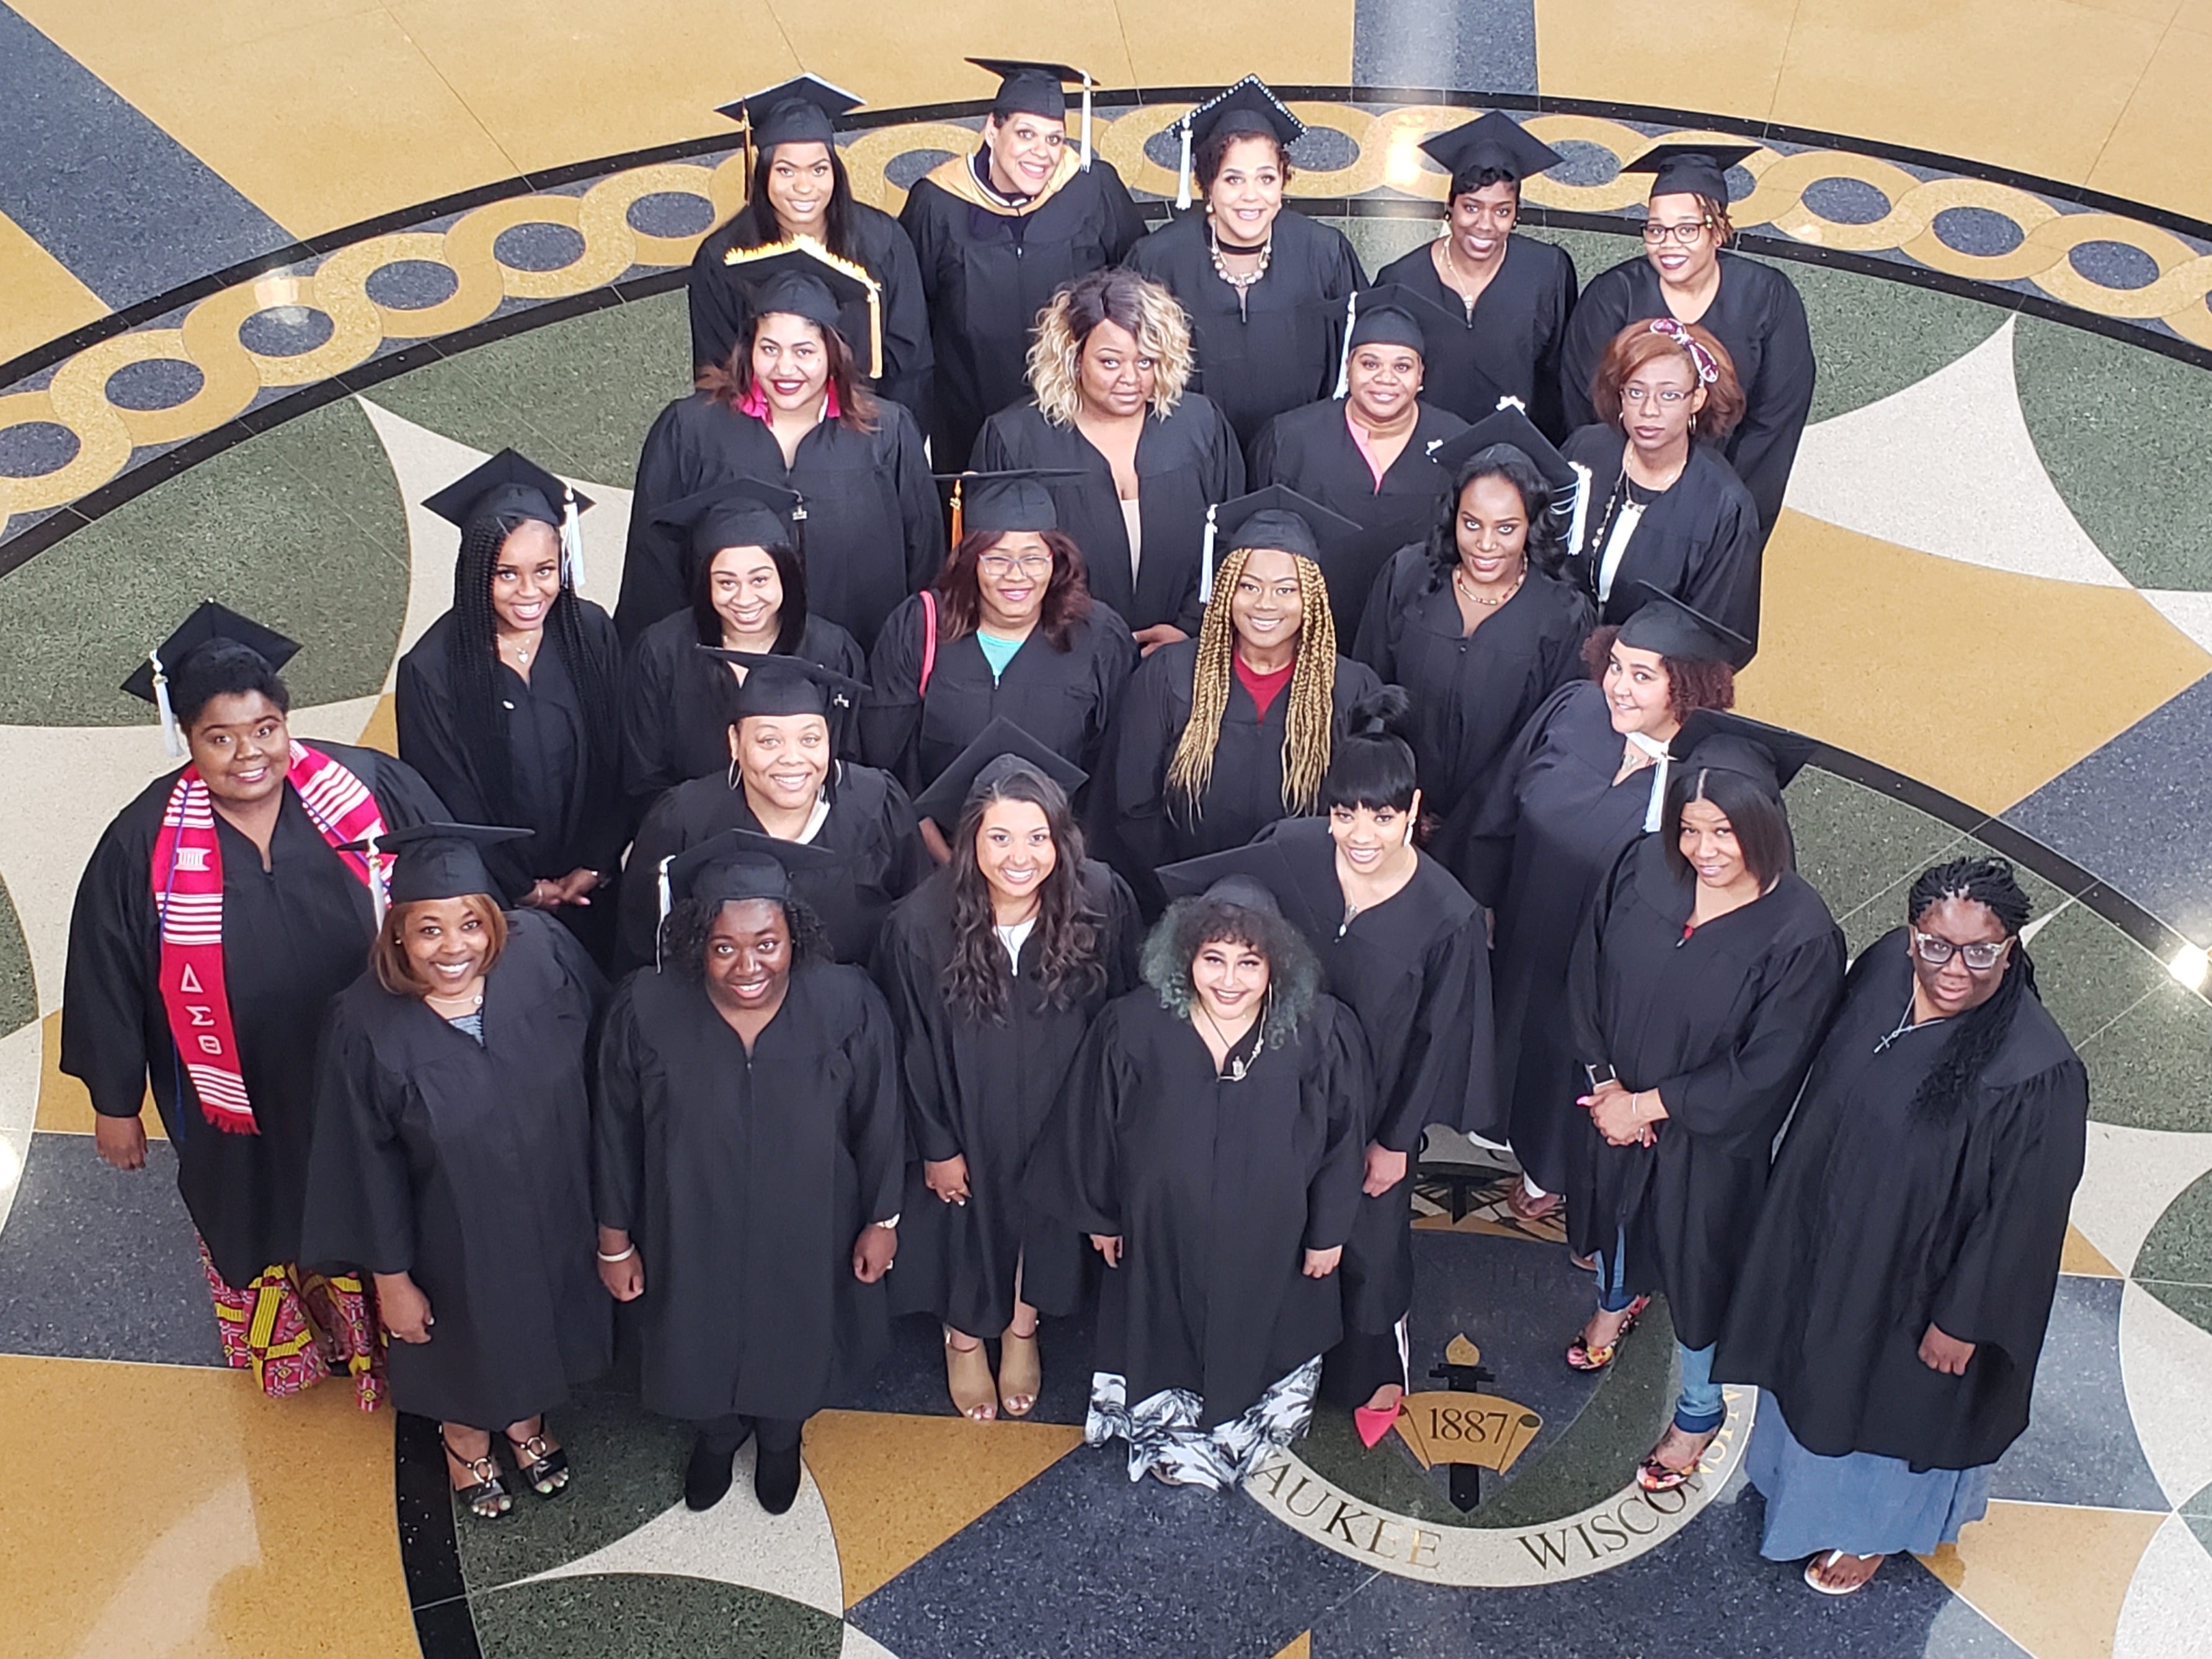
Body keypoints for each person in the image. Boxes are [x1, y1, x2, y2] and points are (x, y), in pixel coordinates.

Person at [63, 604, 445, 1405]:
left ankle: (393, 1339)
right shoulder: (145, 837)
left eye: (264, 727)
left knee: (374, 1184)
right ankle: (300, 1345)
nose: (249, 754)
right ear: (189, 740)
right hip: (231, 1084)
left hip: (363, 1063)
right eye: (221, 736)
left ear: (286, 721)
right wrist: (114, 1102)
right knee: (258, 1199)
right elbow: (106, 967)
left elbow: (447, 894)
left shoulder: (365, 789)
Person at [1718, 856, 2088, 1595]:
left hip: (1916, 1286)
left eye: (1982, 949)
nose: (1956, 967)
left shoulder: (2036, 1071)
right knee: (1810, 1371)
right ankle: (1792, 1485)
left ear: (2011, 947)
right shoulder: (1887, 968)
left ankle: (1872, 1529)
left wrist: (1963, 1317)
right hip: (1827, 1236)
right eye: (1937, 943)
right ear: (1910, 932)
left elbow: (2027, 1217)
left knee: (1882, 1407)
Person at [1161, 692, 1494, 1434]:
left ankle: (1374, 1363)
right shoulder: (1292, 847)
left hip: (1373, 1105)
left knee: (1371, 1236)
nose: (1360, 833)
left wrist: (1395, 1141)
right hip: (1279, 1084)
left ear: (1413, 809)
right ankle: (1282, 1351)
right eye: (1346, 813)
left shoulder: (1448, 914)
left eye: (1380, 815)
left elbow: (1441, 1036)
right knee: (1283, 1223)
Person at [1564, 716, 1844, 1495]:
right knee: (1613, 1221)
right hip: (1611, 1106)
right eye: (1690, 827)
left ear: (1767, 826)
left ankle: (1698, 1405)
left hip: (1706, 1145)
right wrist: (1606, 1083)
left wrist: (1651, 1104)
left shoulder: (1800, 935)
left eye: (1725, 830)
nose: (1705, 850)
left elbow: (1768, 1066)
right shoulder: (1639, 871)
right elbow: (1585, 971)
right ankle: (1617, 1302)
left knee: (1699, 1270)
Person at [302, 825, 611, 1518]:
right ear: (399, 935)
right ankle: (466, 1436)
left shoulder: (543, 956)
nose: (454, 946)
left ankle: (527, 1421)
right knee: (458, 1331)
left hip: (553, 1201)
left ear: (495, 921)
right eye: (429, 929)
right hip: (444, 1231)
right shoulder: (365, 1023)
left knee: (539, 1312)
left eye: (471, 922)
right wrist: (392, 1277)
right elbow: (361, 1158)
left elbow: (604, 1056)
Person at [595, 832, 902, 1514]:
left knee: (798, 1326)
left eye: (767, 941)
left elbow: (881, 1114)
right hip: (686, 1216)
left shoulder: (845, 1001)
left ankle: (782, 1435)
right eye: (725, 945)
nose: (748, 964)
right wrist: (614, 1237)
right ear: (697, 939)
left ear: (794, 932)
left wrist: (882, 1219)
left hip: (811, 1215)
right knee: (693, 1327)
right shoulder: (647, 1006)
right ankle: (717, 1432)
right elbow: (612, 1127)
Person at [1029, 875, 1368, 1487]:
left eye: (1249, 961)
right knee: (1164, 1330)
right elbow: (1094, 1126)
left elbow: (1344, 1139)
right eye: (1213, 958)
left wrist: (1328, 1231)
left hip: (1275, 1240)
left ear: (1276, 965)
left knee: (1265, 1332)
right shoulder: (1133, 1025)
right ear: (1185, 955)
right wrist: (1103, 1217)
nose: (1230, 979)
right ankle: (1172, 1439)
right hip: (1161, 1236)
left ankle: (1253, 1428)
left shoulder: (1316, 1031)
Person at [1452, 590, 1739, 1216]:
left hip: (1602, 970)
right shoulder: (1575, 709)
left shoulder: (1711, 780)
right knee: (1503, 1031)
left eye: (1642, 675)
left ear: (1686, 687)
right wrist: (1479, 900)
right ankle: (1496, 1126)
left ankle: (1550, 1171)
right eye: (1616, 664)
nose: (1617, 687)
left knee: (1568, 1064)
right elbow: (1498, 802)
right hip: (1522, 922)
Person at [880, 737, 1142, 1421]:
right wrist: (936, 1142)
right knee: (967, 1222)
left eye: (1037, 836)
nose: (1018, 856)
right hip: (967, 1113)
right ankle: (964, 1336)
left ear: (1063, 839)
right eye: (998, 836)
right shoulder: (921, 923)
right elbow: (910, 1040)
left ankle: (1023, 1326)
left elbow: (1119, 1012)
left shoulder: (1099, 899)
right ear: (970, 841)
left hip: (1064, 1107)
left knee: (1043, 1217)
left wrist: (1103, 1131)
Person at [619, 244, 943, 652]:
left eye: (804, 351)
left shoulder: (887, 433)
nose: (784, 369)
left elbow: (924, 561)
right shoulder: (691, 430)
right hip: (723, 667)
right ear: (748, 348)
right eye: (769, 349)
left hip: (860, 668)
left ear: (834, 354)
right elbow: (654, 570)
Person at [1099, 486, 1380, 914]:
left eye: (1286, 589)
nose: (1265, 603)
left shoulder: (1349, 688)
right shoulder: (1169, 676)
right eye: (1248, 585)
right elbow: (1133, 806)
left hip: (1305, 908)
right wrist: (1177, 893)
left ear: (1312, 600)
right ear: (1226, 591)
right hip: (1180, 906)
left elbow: (1364, 813)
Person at [401, 451, 626, 963]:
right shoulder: (432, 670)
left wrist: (598, 859)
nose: (530, 592)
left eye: (545, 570)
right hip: (496, 901)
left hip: (597, 882)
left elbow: (618, 754)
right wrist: (521, 887)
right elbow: (447, 798)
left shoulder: (589, 633)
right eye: (506, 574)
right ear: (475, 573)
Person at [1354, 406, 1595, 840]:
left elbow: (1547, 741)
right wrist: (1399, 793)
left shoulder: (1562, 614)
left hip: (1496, 831)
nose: (1485, 544)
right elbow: (1371, 688)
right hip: (1393, 813)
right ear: (1453, 517)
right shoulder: (1408, 577)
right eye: (1471, 523)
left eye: (1506, 528)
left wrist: (1479, 822)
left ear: (1531, 527)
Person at [972, 267, 1243, 649]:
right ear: (1073, 357)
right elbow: (999, 562)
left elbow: (1228, 540)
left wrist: (1189, 629)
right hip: (1062, 651)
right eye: (1111, 362)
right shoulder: (1016, 439)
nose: (1131, 378)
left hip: (1181, 653)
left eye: (1146, 361)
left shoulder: (1199, 427)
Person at [1560, 143, 1813, 547]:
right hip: (1621, 494)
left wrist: (1726, 513)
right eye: (1655, 229)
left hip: (1718, 494)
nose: (1668, 243)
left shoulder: (1767, 298)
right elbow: (1586, 407)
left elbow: (1774, 422)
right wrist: (1630, 488)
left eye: (1686, 229)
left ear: (1717, 230)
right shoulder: (1613, 297)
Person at [900, 58, 1145, 468]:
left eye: (1054, 139)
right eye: (1026, 134)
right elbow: (910, 313)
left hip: (1075, 409)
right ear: (992, 130)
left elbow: (1134, 284)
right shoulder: (937, 203)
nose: (1043, 153)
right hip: (967, 414)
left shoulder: (1092, 188)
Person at [619, 656, 926, 971]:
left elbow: (915, 922)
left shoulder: (877, 804)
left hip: (856, 1013)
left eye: (810, 739)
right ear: (735, 743)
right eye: (769, 741)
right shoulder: (686, 818)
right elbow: (644, 945)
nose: (792, 758)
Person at [861, 470, 1135, 803]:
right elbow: (887, 755)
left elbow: (1114, 768)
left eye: (1033, 558)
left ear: (1056, 561)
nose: (1016, 575)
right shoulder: (920, 626)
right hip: (933, 843)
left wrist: (1055, 847)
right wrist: (927, 835)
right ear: (970, 562)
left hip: (1055, 844)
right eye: (997, 559)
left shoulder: (1099, 638)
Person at [1124, 76, 1364, 449]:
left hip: (1300, 452)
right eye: (1233, 179)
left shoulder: (1323, 253)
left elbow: (1356, 356)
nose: (1251, 196)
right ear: (1209, 186)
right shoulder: (1159, 260)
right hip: (1191, 451)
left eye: (1266, 178)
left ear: (1283, 184)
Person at [689, 76, 934, 417]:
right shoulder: (724, 259)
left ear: (835, 172)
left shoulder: (883, 242)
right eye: (786, 171)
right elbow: (717, 374)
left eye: (818, 169)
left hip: (865, 430)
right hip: (763, 439)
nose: (804, 186)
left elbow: (910, 362)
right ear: (763, 176)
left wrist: (888, 443)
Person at [621, 479, 866, 806]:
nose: (744, 598)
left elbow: (847, 768)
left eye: (760, 579)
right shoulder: (662, 652)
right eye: (726, 582)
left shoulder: (832, 651)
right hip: (691, 838)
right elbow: (645, 775)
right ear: (704, 582)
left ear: (786, 575)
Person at [1248, 286, 1468, 636]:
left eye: (1402, 366)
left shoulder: (1458, 443)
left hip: (1417, 630)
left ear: (1421, 376)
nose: (1385, 379)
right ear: (1348, 367)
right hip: (1309, 630)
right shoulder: (1291, 439)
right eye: (1370, 363)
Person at [1563, 318, 1761, 657]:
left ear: (1696, 400)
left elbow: (1713, 633)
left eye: (1669, 395)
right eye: (1636, 392)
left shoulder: (1724, 506)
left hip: (1651, 682)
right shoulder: (1587, 452)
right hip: (1559, 655)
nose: (1648, 410)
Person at [1372, 112, 1579, 432]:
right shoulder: (1403, 281)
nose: (1485, 225)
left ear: (1516, 215)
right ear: (1450, 206)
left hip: (1516, 451)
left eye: (1502, 211)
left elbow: (1558, 377)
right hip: (1425, 450)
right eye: (1471, 207)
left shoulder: (1546, 272)